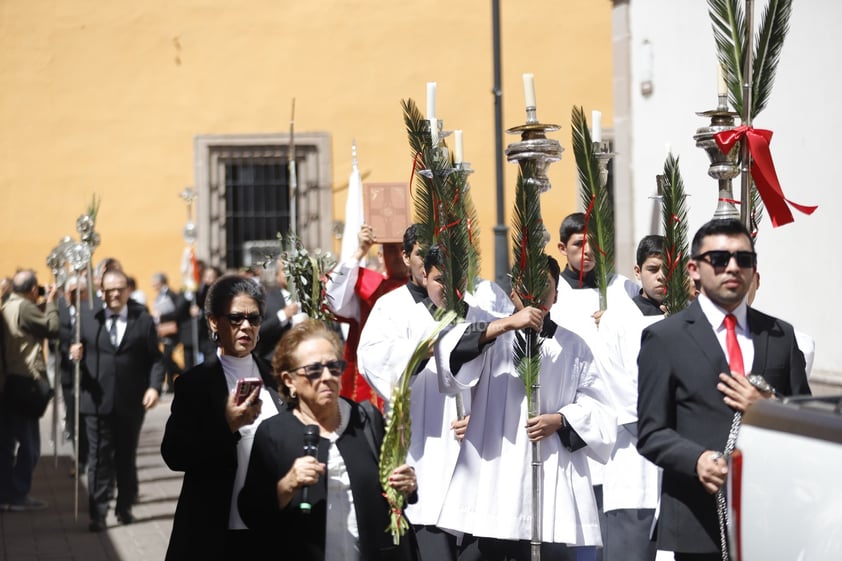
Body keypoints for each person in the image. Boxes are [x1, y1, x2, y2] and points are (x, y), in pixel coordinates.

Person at [636, 218, 811, 560]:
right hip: (697, 523)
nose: (732, 267)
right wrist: (697, 459)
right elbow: (651, 432)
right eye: (719, 259)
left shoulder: (780, 335)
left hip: (769, 521)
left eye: (743, 259)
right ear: (694, 269)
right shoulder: (665, 338)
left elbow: (807, 423)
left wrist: (769, 408)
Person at [434, 256, 616, 561]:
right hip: (493, 479)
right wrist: (506, 325)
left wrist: (561, 420)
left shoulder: (574, 346)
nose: (535, 292)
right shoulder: (494, 337)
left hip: (548, 482)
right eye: (526, 284)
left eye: (543, 285)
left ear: (556, 294)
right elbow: (450, 351)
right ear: (513, 291)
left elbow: (599, 408)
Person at [238, 319, 419, 561]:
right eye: (314, 370)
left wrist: (407, 485)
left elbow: (390, 496)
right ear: (289, 381)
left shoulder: (364, 419)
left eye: (334, 367)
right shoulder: (274, 434)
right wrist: (288, 485)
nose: (327, 377)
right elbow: (252, 512)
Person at [161, 274, 282, 561]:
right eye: (236, 318)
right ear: (214, 322)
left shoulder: (277, 378)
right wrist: (226, 425)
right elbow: (174, 454)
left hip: (273, 528)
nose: (246, 327)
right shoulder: (195, 383)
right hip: (215, 528)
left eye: (254, 319)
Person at [550, 212, 640, 561]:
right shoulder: (555, 293)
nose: (587, 251)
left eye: (593, 244)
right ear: (562, 247)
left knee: (614, 509)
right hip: (575, 415)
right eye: (578, 244)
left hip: (620, 414)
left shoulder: (623, 290)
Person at [70, 268, 166, 531]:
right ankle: (98, 513)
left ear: (127, 290)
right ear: (101, 292)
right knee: (99, 458)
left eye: (119, 289)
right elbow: (73, 349)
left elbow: (155, 359)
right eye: (108, 290)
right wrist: (74, 353)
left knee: (126, 457)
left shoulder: (143, 320)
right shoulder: (88, 319)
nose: (114, 294)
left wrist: (154, 388)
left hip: (130, 401)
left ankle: (124, 508)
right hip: (96, 401)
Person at [596, 235, 668, 561]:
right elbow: (616, 385)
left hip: (680, 467)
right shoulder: (616, 319)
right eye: (654, 269)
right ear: (638, 271)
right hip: (632, 461)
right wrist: (662, 433)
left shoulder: (692, 317)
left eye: (669, 268)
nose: (662, 276)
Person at [326, 223, 409, 405]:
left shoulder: (430, 288)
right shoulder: (368, 287)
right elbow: (333, 298)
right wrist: (361, 250)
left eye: (404, 249)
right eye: (392, 250)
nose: (399, 256)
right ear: (380, 255)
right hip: (373, 387)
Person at [0, 270, 60, 511]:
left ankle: (5, 495)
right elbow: (52, 328)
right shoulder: (24, 307)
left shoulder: (7, 307)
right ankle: (18, 495)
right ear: (33, 289)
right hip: (25, 382)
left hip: (8, 383)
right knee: (30, 446)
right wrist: (53, 303)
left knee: (6, 446)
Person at [58, 274, 89, 476]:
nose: (77, 295)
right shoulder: (60, 310)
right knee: (74, 420)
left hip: (89, 376)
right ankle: (79, 459)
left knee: (90, 421)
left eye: (81, 291)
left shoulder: (92, 311)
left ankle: (91, 460)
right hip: (69, 375)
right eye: (72, 292)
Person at [255, 258, 300, 362]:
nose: (291, 274)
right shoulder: (266, 299)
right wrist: (283, 316)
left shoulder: (309, 299)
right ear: (277, 275)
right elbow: (258, 331)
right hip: (274, 361)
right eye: (285, 270)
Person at [152, 272, 180, 392]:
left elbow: (176, 311)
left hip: (172, 331)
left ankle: (179, 376)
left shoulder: (170, 294)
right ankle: (170, 383)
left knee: (167, 357)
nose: (154, 286)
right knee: (166, 358)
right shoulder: (160, 295)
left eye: (155, 284)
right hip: (164, 329)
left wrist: (162, 313)